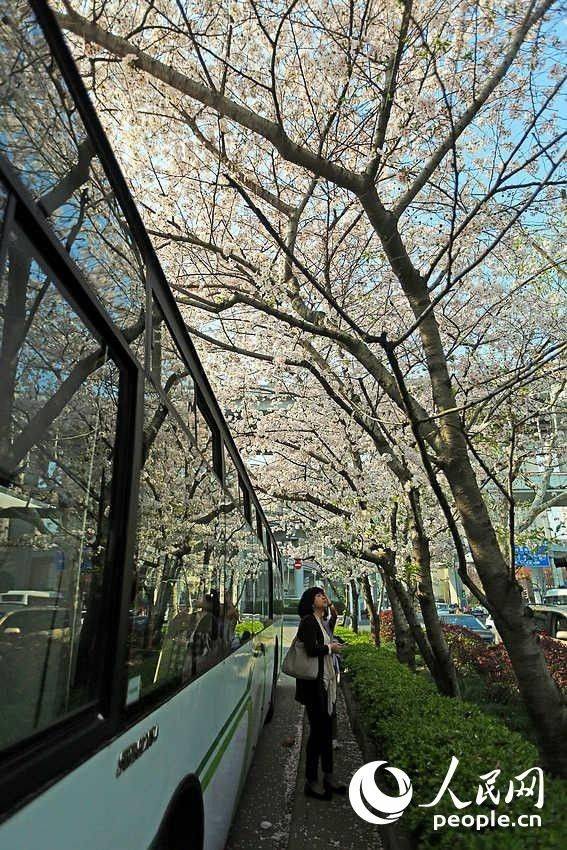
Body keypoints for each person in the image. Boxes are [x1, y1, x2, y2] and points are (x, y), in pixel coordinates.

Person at [295, 587, 346, 800]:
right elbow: (310, 650)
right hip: (313, 685)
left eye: (323, 595)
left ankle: (329, 775)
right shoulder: (308, 621)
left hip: (324, 683)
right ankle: (311, 780)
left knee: (325, 732)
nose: (323, 597)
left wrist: (330, 646)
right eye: (318, 595)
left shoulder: (320, 622)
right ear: (309, 601)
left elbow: (323, 640)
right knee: (317, 733)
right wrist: (330, 648)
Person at [322, 598, 341, 749]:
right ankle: (323, 737)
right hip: (319, 670)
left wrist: (329, 603)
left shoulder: (328, 625)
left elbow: (335, 616)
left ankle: (333, 738)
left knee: (332, 705)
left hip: (331, 669)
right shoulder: (311, 624)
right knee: (321, 706)